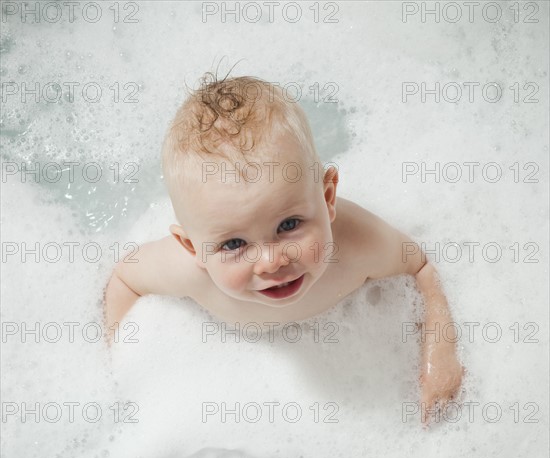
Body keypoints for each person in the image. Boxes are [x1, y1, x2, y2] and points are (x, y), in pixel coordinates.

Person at [103, 73, 464, 423]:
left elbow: (420, 267)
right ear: (191, 247)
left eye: (288, 225)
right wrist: (122, 372)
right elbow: (125, 279)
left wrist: (440, 357)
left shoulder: (357, 245)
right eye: (234, 244)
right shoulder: (186, 270)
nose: (272, 262)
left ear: (327, 198)